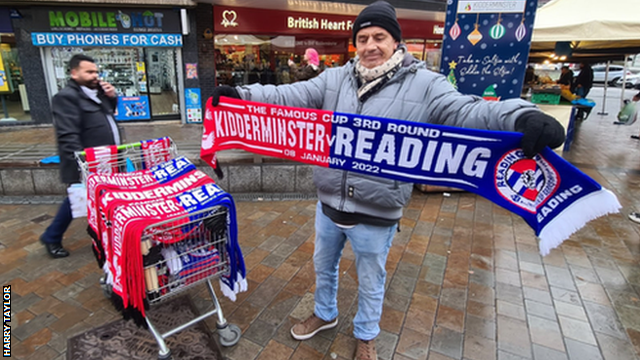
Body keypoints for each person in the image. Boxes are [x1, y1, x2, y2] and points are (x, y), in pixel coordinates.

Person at [210, 2, 565, 359]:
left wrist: (521, 115)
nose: (370, 46)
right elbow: (290, 96)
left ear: (396, 41)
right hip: (329, 202)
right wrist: (242, 96)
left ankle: (366, 335)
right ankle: (324, 314)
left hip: (378, 210)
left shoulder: (426, 84)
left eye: (379, 37)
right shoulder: (335, 79)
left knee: (371, 280)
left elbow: (467, 111)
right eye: (362, 38)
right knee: (323, 267)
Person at [40, 54, 121, 258]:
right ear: (74, 73)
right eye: (89, 72)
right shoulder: (66, 97)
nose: (95, 76)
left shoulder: (95, 93)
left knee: (99, 199)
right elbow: (68, 135)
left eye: (96, 71)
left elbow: (109, 113)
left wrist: (111, 97)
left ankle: (107, 235)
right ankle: (51, 236)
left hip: (105, 159)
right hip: (88, 163)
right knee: (77, 200)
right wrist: (83, 166)